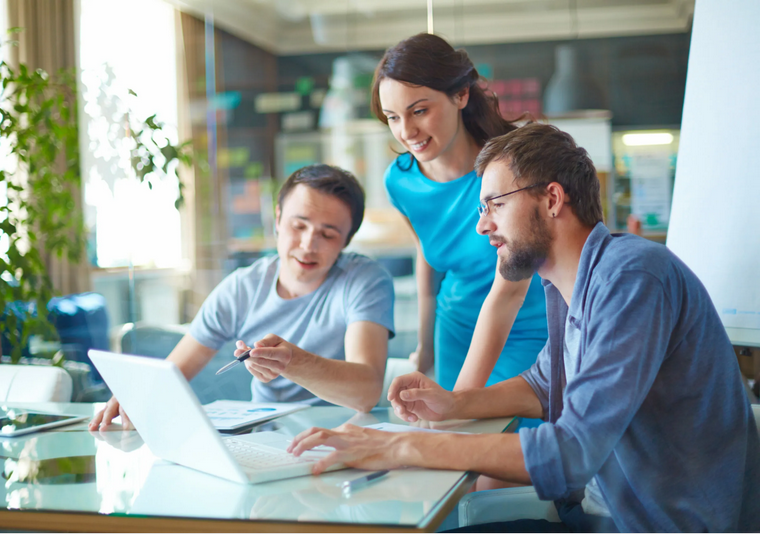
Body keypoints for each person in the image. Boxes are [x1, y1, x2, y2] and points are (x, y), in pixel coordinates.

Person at [288, 124, 760, 533]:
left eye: (493, 203)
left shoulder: (632, 277)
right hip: (597, 516)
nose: (482, 227)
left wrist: (400, 445)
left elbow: (571, 451)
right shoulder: (566, 282)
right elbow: (545, 382)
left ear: (552, 198)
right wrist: (455, 403)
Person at [90, 164, 395, 430]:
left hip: (344, 437)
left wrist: (293, 362)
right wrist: (135, 397)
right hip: (267, 436)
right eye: (297, 225)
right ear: (277, 219)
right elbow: (174, 373)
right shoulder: (242, 288)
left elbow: (365, 392)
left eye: (327, 235)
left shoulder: (364, 281)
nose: (307, 244)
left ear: (346, 241)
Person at [372, 33, 547, 393]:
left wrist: (461, 401)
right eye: (393, 117)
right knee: (455, 438)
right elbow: (428, 254)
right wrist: (424, 348)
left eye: (419, 110)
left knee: (500, 440)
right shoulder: (400, 181)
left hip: (529, 329)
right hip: (454, 330)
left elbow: (511, 291)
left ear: (461, 95)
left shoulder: (513, 168)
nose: (407, 132)